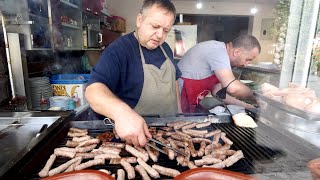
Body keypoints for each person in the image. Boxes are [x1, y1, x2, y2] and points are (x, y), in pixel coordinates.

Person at [85, 0, 181, 147]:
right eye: (155, 26)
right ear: (140, 20)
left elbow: (173, 81)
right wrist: (121, 113)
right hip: (136, 140)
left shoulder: (166, 49)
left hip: (169, 136)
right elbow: (93, 91)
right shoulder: (119, 50)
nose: (160, 35)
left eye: (166, 30)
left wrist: (179, 113)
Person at [177, 35, 261, 113]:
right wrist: (255, 97)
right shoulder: (218, 52)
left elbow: (217, 92)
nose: (246, 65)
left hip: (189, 102)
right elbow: (232, 88)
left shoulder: (221, 55)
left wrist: (246, 106)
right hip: (178, 100)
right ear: (237, 52)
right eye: (247, 59)